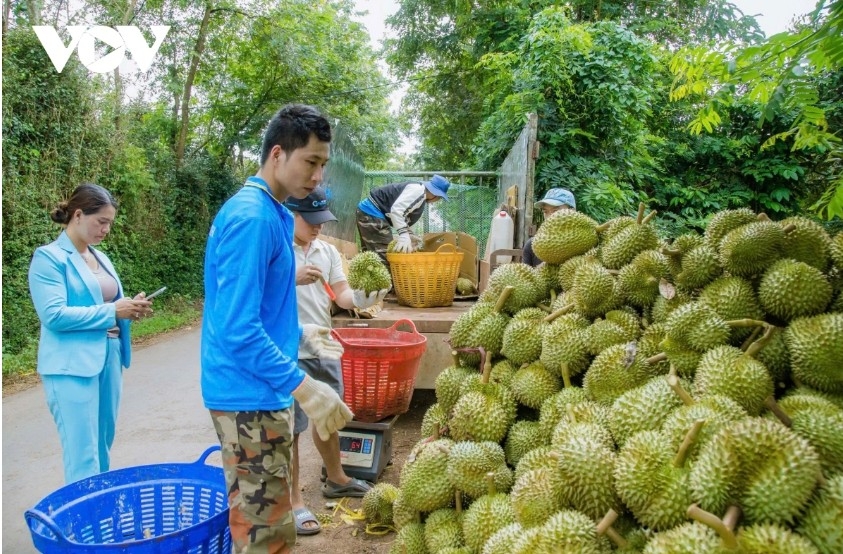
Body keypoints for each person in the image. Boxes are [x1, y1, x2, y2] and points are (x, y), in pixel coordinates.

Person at [201, 103, 353, 554]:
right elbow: (237, 329)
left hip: (263, 388)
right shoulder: (251, 218)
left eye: (323, 164)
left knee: (272, 525)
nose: (318, 176)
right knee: (263, 535)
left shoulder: (272, 212)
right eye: (310, 161)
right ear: (277, 155)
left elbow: (263, 306)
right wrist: (303, 386)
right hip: (248, 395)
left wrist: (300, 337)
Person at [28, 183, 154, 484]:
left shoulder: (101, 258)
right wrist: (113, 311)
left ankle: (101, 517)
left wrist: (130, 309)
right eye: (102, 222)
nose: (106, 229)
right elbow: (54, 315)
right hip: (70, 366)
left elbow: (107, 304)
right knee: (82, 453)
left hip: (108, 357)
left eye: (110, 223)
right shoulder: (49, 258)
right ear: (79, 215)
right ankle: (83, 526)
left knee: (102, 446)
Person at [283, 188, 389, 535]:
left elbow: (341, 293)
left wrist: (364, 295)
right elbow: (259, 291)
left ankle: (337, 478)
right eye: (309, 221)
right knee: (292, 427)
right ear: (291, 215)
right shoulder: (277, 248)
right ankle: (294, 501)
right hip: (288, 349)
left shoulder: (326, 251)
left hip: (323, 345)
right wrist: (291, 276)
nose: (316, 227)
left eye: (320, 221)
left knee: (329, 415)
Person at [356, 175, 452, 262]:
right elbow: (396, 211)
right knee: (386, 257)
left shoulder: (420, 195)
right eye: (440, 198)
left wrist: (410, 235)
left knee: (370, 256)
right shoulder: (418, 191)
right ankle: (389, 282)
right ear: (436, 194)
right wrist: (403, 235)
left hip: (369, 212)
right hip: (372, 212)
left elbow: (404, 216)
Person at [522, 188, 577, 267]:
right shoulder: (532, 245)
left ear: (572, 211)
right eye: (545, 211)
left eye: (555, 211)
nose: (550, 216)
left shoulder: (586, 245)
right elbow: (524, 276)